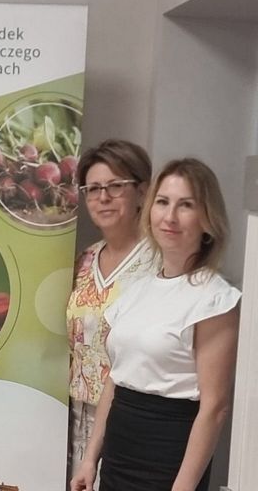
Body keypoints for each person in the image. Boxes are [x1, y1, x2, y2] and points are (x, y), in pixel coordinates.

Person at [71, 158, 241, 491]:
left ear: (207, 219)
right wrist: (90, 459)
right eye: (162, 202)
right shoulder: (138, 290)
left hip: (168, 456)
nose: (170, 216)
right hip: (119, 452)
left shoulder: (215, 299)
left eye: (186, 205)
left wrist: (182, 488)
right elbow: (116, 379)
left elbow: (215, 408)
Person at [66, 139, 154, 476]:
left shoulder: (159, 264)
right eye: (93, 189)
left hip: (130, 420)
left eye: (115, 186)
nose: (103, 197)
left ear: (141, 192)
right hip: (73, 419)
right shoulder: (82, 261)